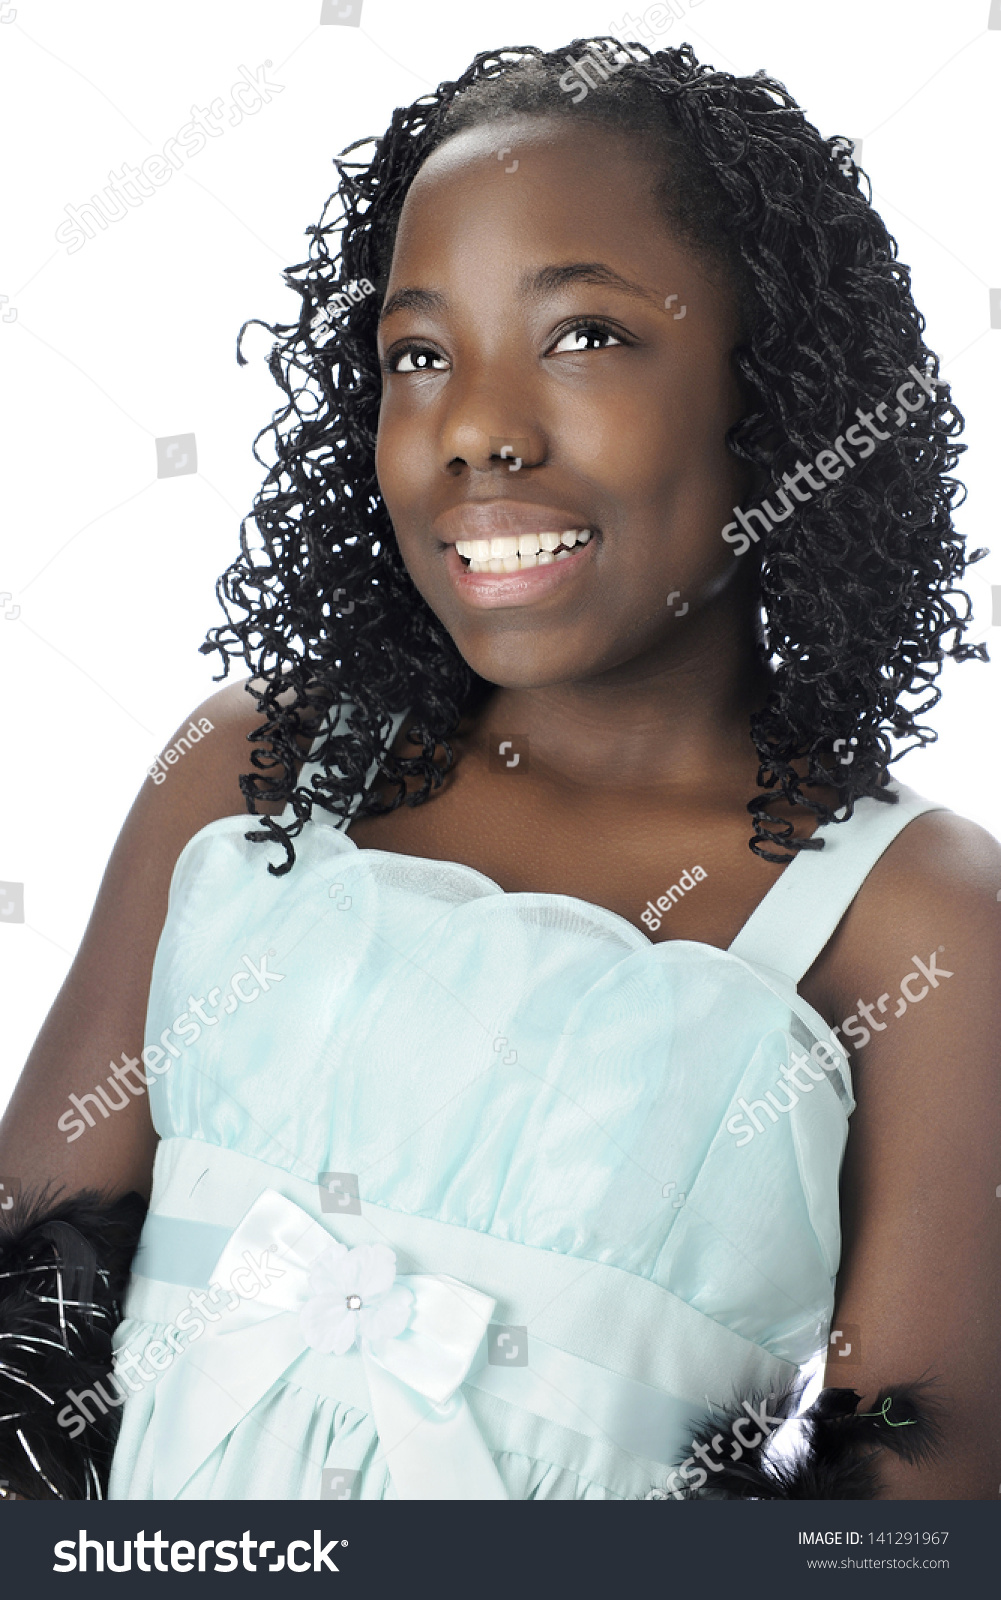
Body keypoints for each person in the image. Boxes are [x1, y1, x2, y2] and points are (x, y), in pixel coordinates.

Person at [1, 38, 998, 1503]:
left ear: (770, 391)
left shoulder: (911, 920)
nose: (474, 426)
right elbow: (24, 1302)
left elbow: (915, 1513)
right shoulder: (254, 778)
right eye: (418, 354)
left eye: (583, 336)